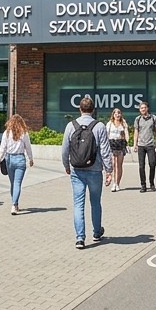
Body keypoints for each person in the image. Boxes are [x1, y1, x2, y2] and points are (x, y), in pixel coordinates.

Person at [62, 96, 113, 250]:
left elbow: (65, 148)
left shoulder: (71, 126)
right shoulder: (99, 126)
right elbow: (105, 150)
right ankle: (97, 232)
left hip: (77, 170)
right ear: (93, 110)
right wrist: (109, 170)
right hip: (95, 169)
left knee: (78, 204)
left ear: (80, 109)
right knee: (95, 201)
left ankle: (79, 238)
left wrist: (66, 165)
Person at [0, 114, 35, 214]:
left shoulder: (6, 133)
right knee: (17, 183)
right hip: (20, 159)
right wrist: (30, 158)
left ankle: (14, 203)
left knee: (13, 183)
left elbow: (2, 148)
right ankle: (14, 204)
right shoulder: (24, 133)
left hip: (9, 159)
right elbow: (28, 147)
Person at [132, 101, 156, 193]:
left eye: (144, 108)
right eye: (141, 108)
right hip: (141, 145)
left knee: (152, 164)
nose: (143, 109)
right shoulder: (137, 119)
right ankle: (143, 185)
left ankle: (151, 183)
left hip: (150, 145)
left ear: (147, 108)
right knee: (141, 166)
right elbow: (136, 131)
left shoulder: (153, 118)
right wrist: (135, 144)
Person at [104, 107, 129, 192]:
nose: (117, 115)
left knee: (119, 164)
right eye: (115, 113)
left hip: (120, 145)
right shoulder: (109, 124)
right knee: (113, 164)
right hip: (112, 144)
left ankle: (117, 183)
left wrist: (126, 142)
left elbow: (126, 134)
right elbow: (106, 134)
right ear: (113, 115)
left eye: (119, 113)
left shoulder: (123, 123)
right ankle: (113, 183)